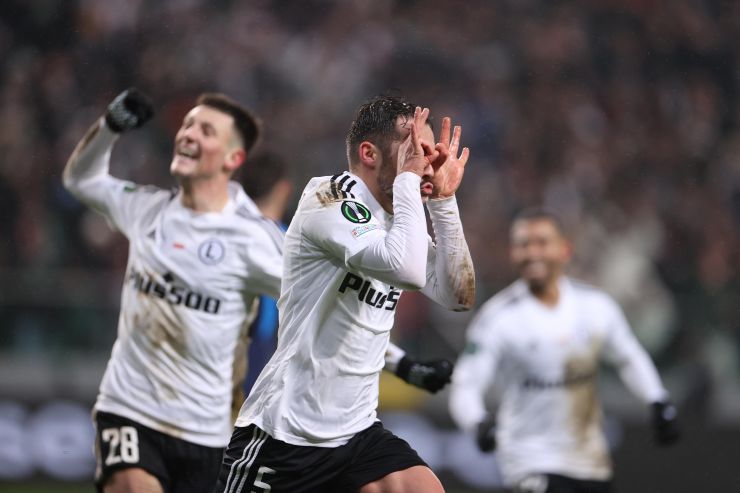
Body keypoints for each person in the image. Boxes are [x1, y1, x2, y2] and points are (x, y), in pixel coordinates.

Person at [215, 95, 475, 493]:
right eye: (415, 151)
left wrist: (443, 201)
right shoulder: (328, 198)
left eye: (428, 153)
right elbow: (406, 269)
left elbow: (458, 295)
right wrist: (409, 181)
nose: (427, 163)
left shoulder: (396, 220)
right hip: (286, 435)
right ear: (369, 154)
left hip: (356, 433)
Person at [449, 209, 680, 493]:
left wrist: (657, 399)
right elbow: (466, 384)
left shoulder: (595, 306)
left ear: (565, 249)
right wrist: (477, 423)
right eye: (523, 244)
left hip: (590, 461)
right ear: (513, 253)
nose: (533, 252)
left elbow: (628, 357)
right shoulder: (498, 318)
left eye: (542, 242)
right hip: (529, 461)